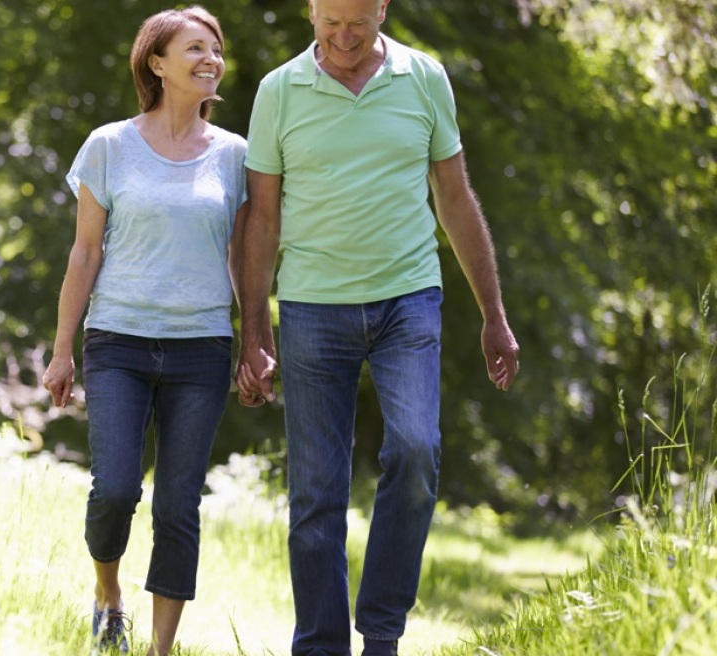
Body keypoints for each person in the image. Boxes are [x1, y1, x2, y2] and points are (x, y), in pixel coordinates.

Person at [234, 1, 520, 655]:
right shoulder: (279, 91)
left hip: (408, 299)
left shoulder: (424, 78)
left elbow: (454, 199)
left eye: (357, 22)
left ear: (383, 8)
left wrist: (493, 315)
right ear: (310, 10)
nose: (342, 36)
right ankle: (321, 645)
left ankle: (382, 632)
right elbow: (263, 218)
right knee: (315, 490)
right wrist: (254, 331)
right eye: (329, 20)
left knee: (416, 452)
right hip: (311, 306)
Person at [41, 6, 248, 655]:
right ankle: (108, 596)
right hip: (118, 342)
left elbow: (246, 258)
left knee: (178, 505)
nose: (210, 59)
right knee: (116, 488)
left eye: (215, 49)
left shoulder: (236, 156)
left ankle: (159, 650)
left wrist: (259, 345)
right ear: (156, 63)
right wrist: (61, 351)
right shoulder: (109, 145)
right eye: (195, 48)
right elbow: (84, 253)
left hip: (203, 349)